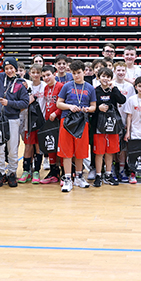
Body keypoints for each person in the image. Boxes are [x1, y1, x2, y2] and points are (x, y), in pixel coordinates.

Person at [56, 59, 96, 192]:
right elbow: (59, 103)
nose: (76, 75)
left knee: (80, 151)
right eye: (74, 73)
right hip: (67, 121)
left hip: (82, 122)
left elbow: (93, 106)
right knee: (66, 151)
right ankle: (68, 178)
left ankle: (78, 177)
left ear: (84, 72)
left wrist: (87, 109)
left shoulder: (90, 88)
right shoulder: (66, 86)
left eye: (78, 72)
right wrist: (70, 106)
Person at [0, 57, 30, 188]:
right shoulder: (0, 77)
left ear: (15, 69)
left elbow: (25, 103)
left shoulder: (21, 84)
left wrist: (9, 103)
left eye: (11, 68)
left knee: (12, 149)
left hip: (13, 119)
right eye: (6, 68)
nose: (9, 71)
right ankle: (1, 173)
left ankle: (12, 173)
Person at [92, 67, 126, 187]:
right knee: (99, 152)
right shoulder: (95, 91)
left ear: (111, 78)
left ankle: (108, 174)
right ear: (98, 77)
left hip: (112, 125)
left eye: (108, 77)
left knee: (110, 151)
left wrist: (114, 88)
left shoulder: (113, 90)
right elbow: (91, 107)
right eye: (103, 76)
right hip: (98, 126)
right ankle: (98, 175)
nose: (105, 79)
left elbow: (122, 100)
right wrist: (98, 108)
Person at [19, 63, 46, 183]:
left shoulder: (45, 86)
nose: (35, 75)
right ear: (29, 73)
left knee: (38, 146)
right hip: (28, 121)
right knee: (28, 146)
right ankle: (26, 170)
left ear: (41, 74)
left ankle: (36, 171)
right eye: (33, 72)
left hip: (41, 121)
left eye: (38, 73)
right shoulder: (26, 85)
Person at [39, 65, 64, 185]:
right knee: (51, 146)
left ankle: (65, 172)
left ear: (54, 74)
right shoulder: (45, 88)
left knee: (61, 147)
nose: (46, 78)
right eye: (44, 76)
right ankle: (54, 172)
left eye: (48, 75)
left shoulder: (60, 86)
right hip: (49, 122)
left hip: (59, 121)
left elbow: (64, 103)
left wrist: (56, 112)